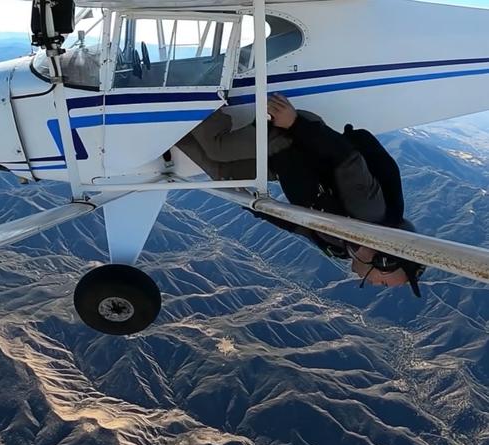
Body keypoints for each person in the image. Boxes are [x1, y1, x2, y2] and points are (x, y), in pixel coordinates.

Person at [176, 94, 425, 296]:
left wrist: (254, 205)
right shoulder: (368, 212)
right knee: (218, 148)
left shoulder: (339, 245)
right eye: (382, 282)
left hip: (286, 162)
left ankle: (166, 134)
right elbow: (345, 156)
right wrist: (294, 123)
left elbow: (295, 223)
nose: (372, 285)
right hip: (295, 138)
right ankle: (191, 95)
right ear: (383, 261)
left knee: (223, 173)